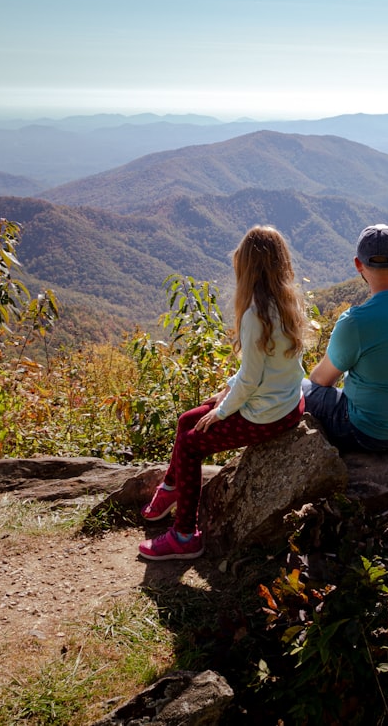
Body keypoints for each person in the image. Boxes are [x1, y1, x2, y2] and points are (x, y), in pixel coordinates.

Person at [138, 225, 309, 560]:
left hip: (267, 415)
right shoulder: (287, 302)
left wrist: (223, 409)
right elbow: (259, 371)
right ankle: (172, 489)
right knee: (187, 419)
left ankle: (185, 536)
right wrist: (226, 390)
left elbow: (250, 380)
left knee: (190, 444)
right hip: (289, 402)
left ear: (246, 268)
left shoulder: (255, 316)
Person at [302, 223, 388, 452]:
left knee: (296, 390)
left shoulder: (356, 321)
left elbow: (321, 380)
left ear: (358, 264)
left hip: (368, 433)